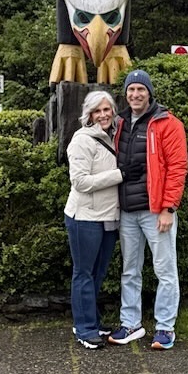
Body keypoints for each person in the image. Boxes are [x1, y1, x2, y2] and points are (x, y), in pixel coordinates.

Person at [109, 69, 188, 350]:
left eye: (140, 89)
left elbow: (178, 167)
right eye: (131, 90)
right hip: (127, 211)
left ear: (149, 93)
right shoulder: (119, 123)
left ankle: (165, 327)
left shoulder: (168, 123)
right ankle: (130, 324)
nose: (135, 94)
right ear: (126, 94)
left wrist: (169, 207)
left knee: (165, 270)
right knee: (130, 270)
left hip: (156, 212)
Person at [65, 91, 123, 349]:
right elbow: (80, 182)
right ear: (88, 115)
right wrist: (119, 174)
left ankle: (92, 321)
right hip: (85, 217)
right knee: (84, 273)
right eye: (97, 111)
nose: (103, 115)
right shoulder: (82, 140)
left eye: (106, 109)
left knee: (98, 273)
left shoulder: (115, 136)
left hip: (108, 217)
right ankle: (84, 328)